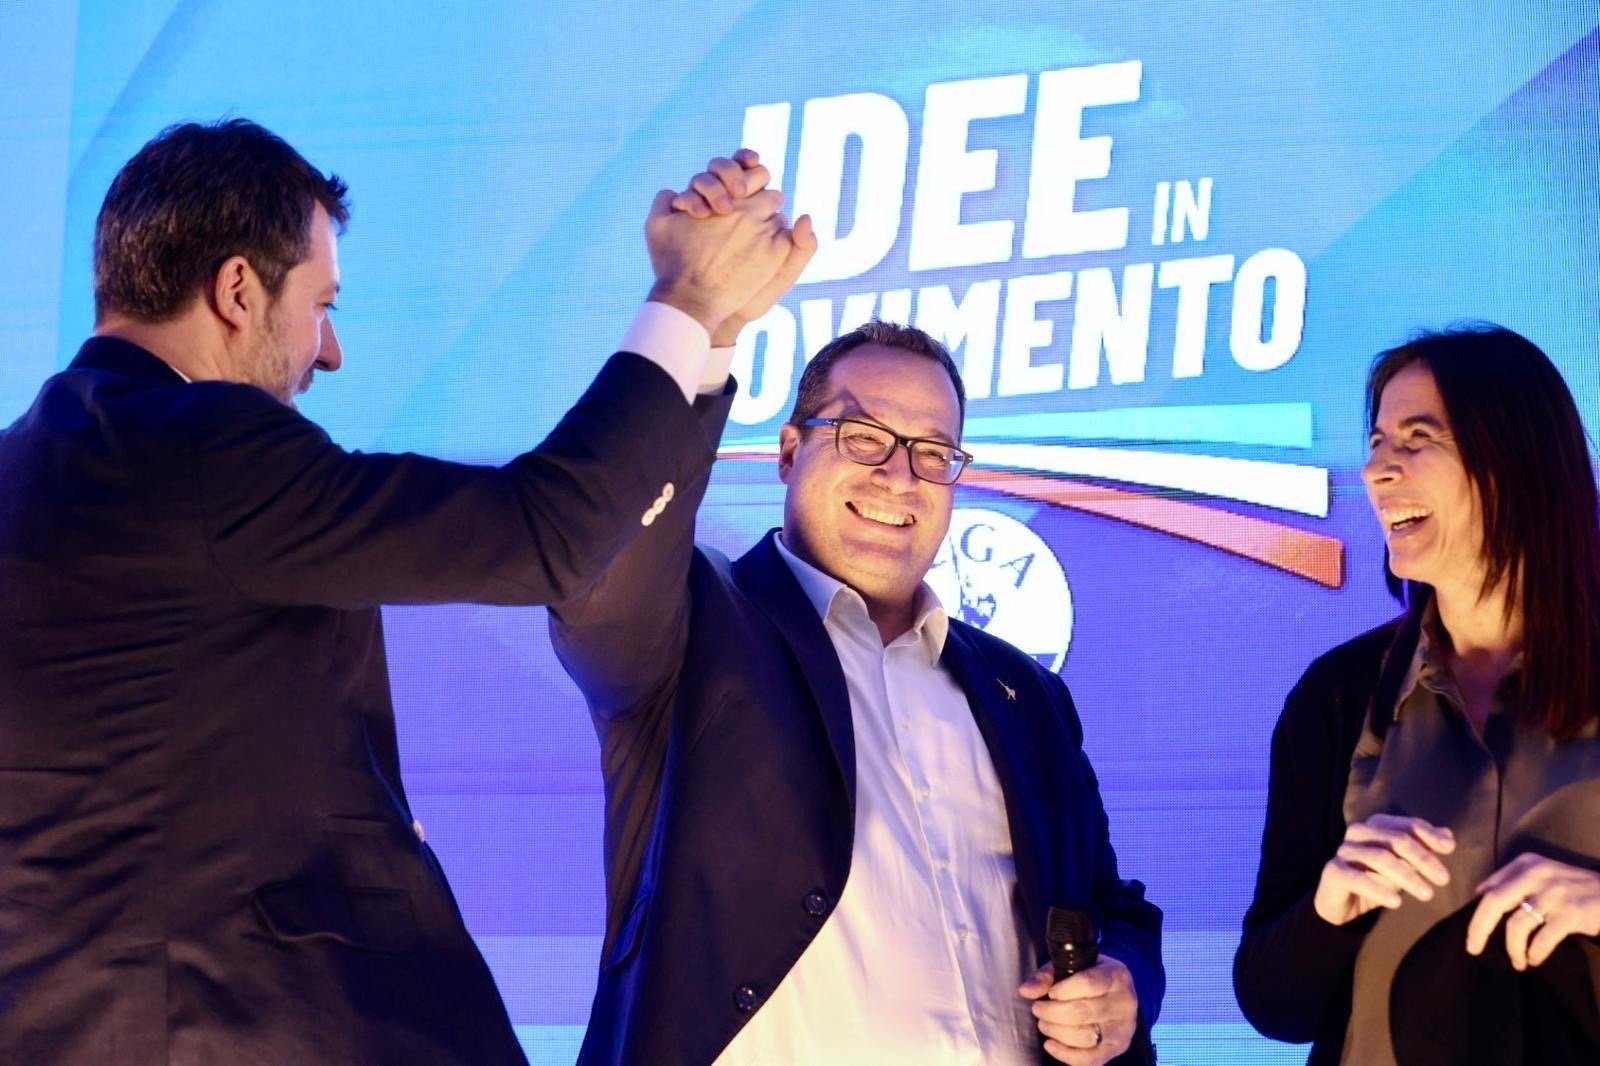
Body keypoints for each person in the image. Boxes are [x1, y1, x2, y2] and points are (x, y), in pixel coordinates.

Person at [0, 120, 811, 1064]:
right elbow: (548, 533)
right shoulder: (201, 445)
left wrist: (710, 334)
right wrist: (687, 303)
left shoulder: (30, 468)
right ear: (237, 291)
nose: (330, 352)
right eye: (320, 305)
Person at [551, 162, 1164, 1065]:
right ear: (788, 451)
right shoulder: (697, 628)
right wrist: (698, 320)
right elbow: (599, 561)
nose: (898, 476)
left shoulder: (1024, 693)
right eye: (864, 436)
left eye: (933, 453)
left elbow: (1110, 905)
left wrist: (1125, 984)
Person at [1234, 324, 1600, 1064]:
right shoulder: (1337, 696)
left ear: (1514, 461)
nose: (1376, 472)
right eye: (1375, 444)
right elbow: (1272, 1002)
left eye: (1417, 439)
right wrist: (1327, 910)